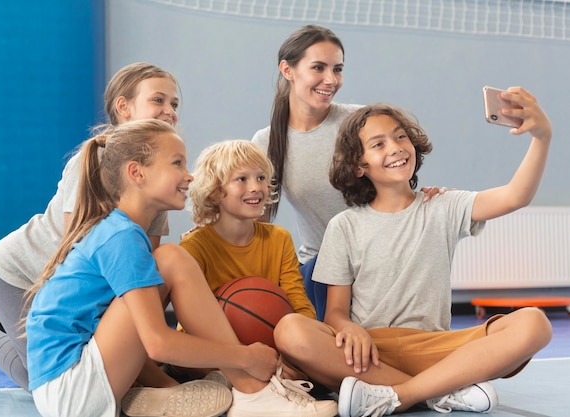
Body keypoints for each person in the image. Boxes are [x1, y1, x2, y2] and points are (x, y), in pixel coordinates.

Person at [25, 119, 338, 417]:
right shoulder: (122, 237)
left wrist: (169, 385)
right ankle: (253, 394)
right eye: (177, 163)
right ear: (137, 173)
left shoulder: (120, 231)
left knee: (168, 261)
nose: (188, 176)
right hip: (71, 391)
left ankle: (183, 390)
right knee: (171, 259)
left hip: (67, 386)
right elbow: (157, 343)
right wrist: (246, 358)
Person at [273, 90, 554, 417]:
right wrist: (349, 328)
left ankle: (401, 394)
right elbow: (335, 311)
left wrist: (542, 137)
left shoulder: (443, 206)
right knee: (290, 330)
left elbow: (514, 196)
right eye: (378, 144)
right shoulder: (344, 226)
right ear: (359, 164)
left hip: (438, 350)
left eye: (400, 137)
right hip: (372, 352)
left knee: (535, 324)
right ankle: (442, 391)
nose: (395, 148)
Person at [0, 62, 180, 392]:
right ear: (124, 107)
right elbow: (75, 253)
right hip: (20, 274)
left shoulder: (158, 180)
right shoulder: (93, 161)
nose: (169, 111)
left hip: (75, 288)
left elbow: (143, 268)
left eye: (174, 104)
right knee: (41, 380)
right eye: (158, 100)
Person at [252, 25, 442, 320]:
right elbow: (256, 222)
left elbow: (397, 181)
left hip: (377, 265)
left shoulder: (360, 123)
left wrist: (425, 198)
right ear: (287, 70)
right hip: (320, 273)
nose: (331, 80)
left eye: (337, 69)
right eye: (318, 68)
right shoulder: (266, 142)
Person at [181, 139, 315, 319]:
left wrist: (301, 332)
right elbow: (193, 318)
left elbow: (299, 306)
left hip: (274, 338)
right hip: (212, 342)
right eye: (241, 179)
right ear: (214, 191)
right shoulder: (194, 247)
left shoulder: (279, 239)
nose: (255, 187)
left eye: (261, 178)